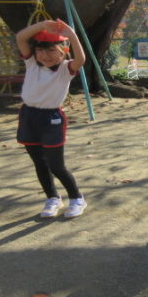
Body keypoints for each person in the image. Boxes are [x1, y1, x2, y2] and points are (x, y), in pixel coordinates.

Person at [15, 19, 87, 218]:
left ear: (63, 51)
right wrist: (43, 25)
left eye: (51, 50)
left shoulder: (65, 69)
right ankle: (52, 198)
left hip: (51, 118)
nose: (44, 55)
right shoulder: (32, 63)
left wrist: (71, 35)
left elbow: (81, 59)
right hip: (29, 116)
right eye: (40, 50)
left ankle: (77, 198)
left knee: (56, 165)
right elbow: (20, 38)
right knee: (39, 163)